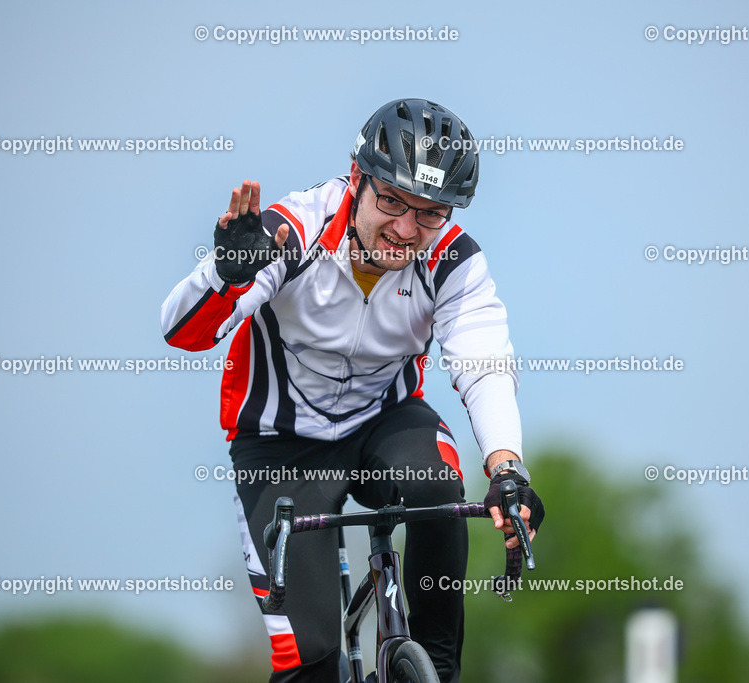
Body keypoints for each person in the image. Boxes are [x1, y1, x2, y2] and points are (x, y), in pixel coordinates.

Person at [160, 98, 544, 682]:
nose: (406, 229)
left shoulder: (453, 258)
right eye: (391, 200)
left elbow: (484, 363)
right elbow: (181, 333)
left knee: (438, 487)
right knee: (310, 658)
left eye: (430, 213)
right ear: (357, 177)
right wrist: (223, 275)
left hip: (384, 424)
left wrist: (508, 468)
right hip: (281, 444)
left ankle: (438, 668)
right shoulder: (292, 232)